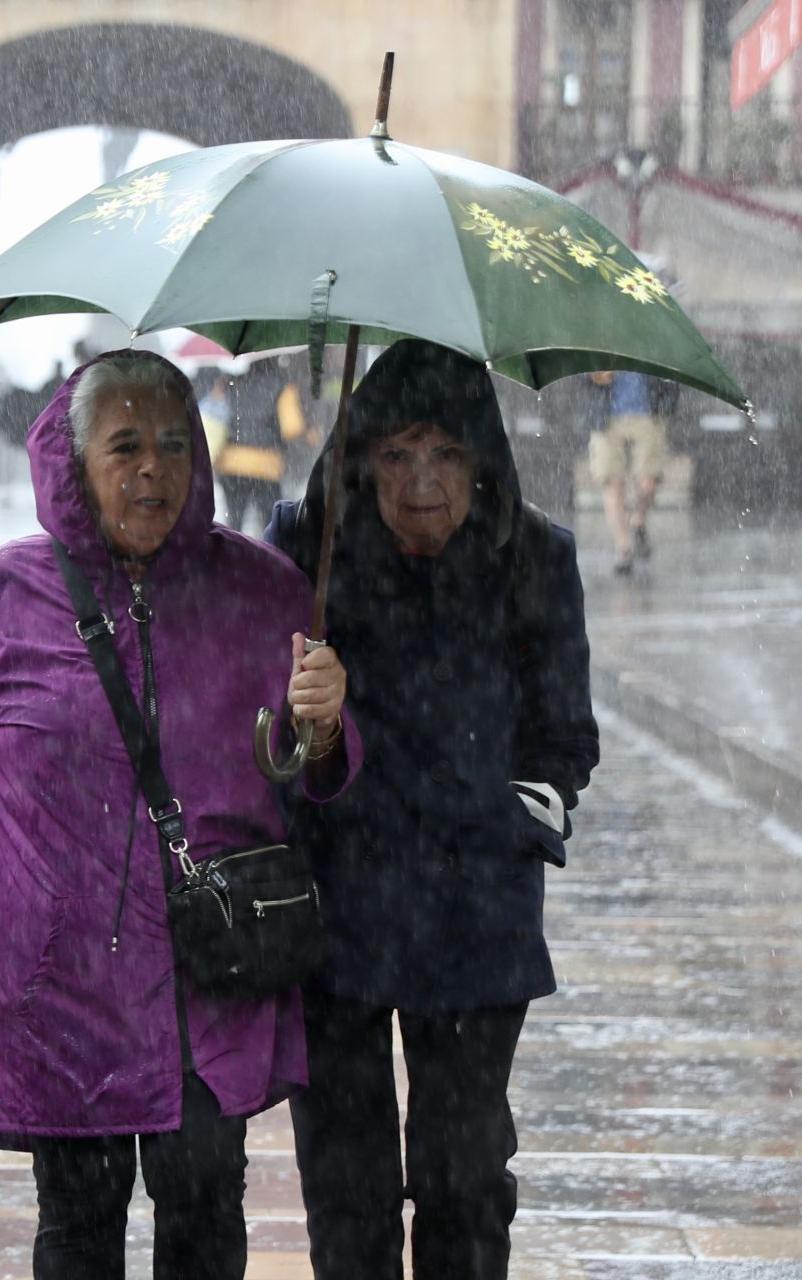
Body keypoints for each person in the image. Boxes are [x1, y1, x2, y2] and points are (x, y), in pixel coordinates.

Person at [0, 350, 361, 1280]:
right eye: (124, 446)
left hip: (209, 970)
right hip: (62, 980)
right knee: (78, 1226)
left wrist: (323, 728)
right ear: (72, 461)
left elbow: (312, 782)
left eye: (173, 443)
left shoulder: (265, 592)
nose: (153, 469)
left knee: (206, 1209)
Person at [267, 340, 600, 1280]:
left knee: (464, 1183)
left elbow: (566, 741)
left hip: (474, 915)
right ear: (360, 455)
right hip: (336, 912)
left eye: (447, 456)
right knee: (349, 1187)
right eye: (399, 455)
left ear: (482, 463)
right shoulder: (305, 549)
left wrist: (511, 821)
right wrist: (306, 721)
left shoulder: (535, 558)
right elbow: (251, 737)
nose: (422, 486)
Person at [588, 369, 668, 574]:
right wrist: (592, 375)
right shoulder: (597, 339)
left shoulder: (652, 338)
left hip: (648, 414)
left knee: (648, 482)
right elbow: (576, 374)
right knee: (612, 482)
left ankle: (637, 519)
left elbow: (669, 372)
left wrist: (665, 404)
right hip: (606, 416)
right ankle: (623, 548)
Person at [215, 355, 292, 532]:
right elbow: (291, 427)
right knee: (270, 526)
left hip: (232, 462)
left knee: (234, 524)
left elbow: (219, 416)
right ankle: (265, 557)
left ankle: (233, 557)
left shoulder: (233, 383)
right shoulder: (282, 385)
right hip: (266, 465)